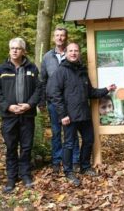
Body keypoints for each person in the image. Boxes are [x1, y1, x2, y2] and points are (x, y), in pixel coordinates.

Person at [47, 42, 116, 186]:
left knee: (89, 140)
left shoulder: (82, 71)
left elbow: (90, 92)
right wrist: (62, 114)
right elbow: (53, 93)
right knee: (69, 144)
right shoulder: (61, 71)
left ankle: (85, 167)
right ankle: (68, 171)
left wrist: (106, 89)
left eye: (76, 51)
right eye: (70, 51)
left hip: (84, 114)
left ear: (79, 53)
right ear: (66, 53)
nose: (73, 53)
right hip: (69, 116)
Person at [0, 37, 42, 193]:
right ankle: (12, 178)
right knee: (11, 147)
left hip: (27, 115)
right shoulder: (1, 70)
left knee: (26, 147)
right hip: (9, 116)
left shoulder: (32, 68)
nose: (14, 50)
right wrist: (8, 107)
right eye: (12, 48)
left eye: (18, 48)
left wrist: (29, 105)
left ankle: (25, 175)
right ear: (9, 50)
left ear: (23, 51)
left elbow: (39, 89)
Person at [40, 26, 80, 174]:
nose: (60, 38)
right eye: (57, 35)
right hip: (53, 102)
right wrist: (42, 101)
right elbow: (42, 80)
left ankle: (74, 160)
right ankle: (57, 161)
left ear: (66, 37)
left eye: (62, 35)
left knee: (72, 132)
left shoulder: (72, 55)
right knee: (56, 133)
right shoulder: (47, 57)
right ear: (53, 38)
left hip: (71, 102)